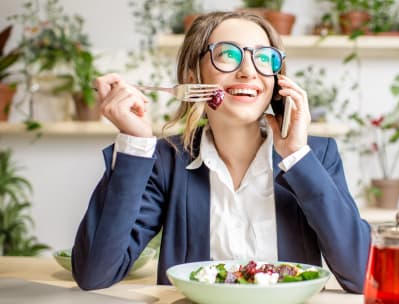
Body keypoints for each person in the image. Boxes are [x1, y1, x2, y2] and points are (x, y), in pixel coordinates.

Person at [72, 11, 371, 293]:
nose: (248, 71)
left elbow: (362, 275)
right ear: (192, 76)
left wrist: (296, 156)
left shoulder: (314, 156)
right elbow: (94, 273)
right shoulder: (167, 161)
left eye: (264, 59)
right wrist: (134, 142)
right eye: (228, 54)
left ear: (278, 81)